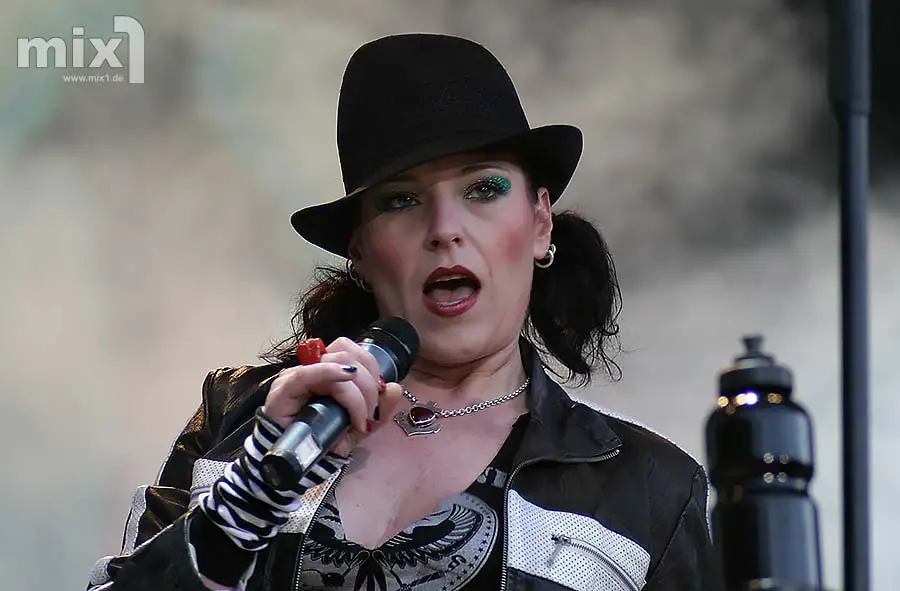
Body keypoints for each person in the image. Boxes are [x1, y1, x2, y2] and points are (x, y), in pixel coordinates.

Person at [87, 33, 722, 591]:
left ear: (539, 223)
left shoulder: (648, 487)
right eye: (400, 201)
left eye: (483, 189)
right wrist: (248, 498)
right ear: (360, 250)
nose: (445, 229)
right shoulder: (242, 417)